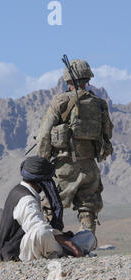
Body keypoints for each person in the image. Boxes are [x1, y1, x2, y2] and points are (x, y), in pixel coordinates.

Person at [35, 59, 114, 234]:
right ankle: (86, 246)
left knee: (49, 206)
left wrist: (42, 162)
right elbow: (107, 133)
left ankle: (50, 246)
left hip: (65, 166)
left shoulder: (61, 101)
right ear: (87, 79)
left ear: (68, 81)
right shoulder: (100, 104)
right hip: (90, 167)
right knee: (88, 208)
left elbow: (43, 135)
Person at [0, 156, 83, 262]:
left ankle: (68, 250)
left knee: (87, 236)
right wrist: (69, 243)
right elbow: (37, 227)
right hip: (18, 253)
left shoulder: (20, 190)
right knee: (41, 232)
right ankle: (67, 253)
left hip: (31, 246)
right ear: (42, 181)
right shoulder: (26, 199)